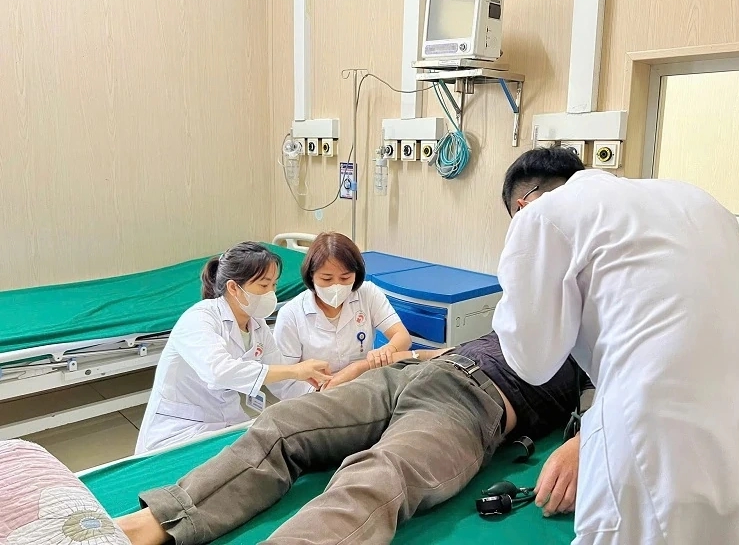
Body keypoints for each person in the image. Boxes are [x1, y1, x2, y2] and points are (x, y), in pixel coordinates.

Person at [492, 146, 739, 544]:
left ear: (521, 205)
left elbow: (531, 361)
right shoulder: (694, 199)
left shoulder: (541, 216)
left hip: (659, 421)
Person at [116, 331, 584, 545]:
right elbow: (443, 351)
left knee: (379, 474)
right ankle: (153, 524)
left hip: (469, 404)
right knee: (282, 425)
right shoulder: (528, 314)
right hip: (411, 375)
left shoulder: (599, 352)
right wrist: (361, 366)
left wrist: (580, 444)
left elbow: (615, 413)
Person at [135, 242, 331, 454]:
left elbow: (283, 380)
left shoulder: (256, 324)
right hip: (179, 428)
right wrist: (295, 370)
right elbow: (219, 372)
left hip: (226, 420)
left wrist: (321, 393)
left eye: (274, 285)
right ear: (233, 288)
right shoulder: (199, 319)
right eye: (264, 285)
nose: (271, 293)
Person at [271, 232, 412, 399]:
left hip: (363, 388)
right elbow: (285, 381)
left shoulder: (368, 294)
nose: (336, 286)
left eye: (345, 278)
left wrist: (388, 350)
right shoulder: (291, 314)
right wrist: (327, 390)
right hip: (314, 397)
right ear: (311, 275)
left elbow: (402, 336)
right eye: (327, 279)